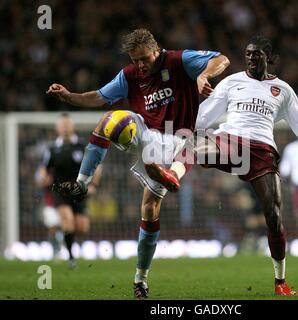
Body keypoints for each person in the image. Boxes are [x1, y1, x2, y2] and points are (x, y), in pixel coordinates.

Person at [146, 35, 298, 296]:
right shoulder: (232, 82)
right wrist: (171, 126)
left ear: (268, 57)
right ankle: (172, 175)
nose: (251, 58)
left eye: (257, 54)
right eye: (248, 54)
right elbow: (204, 115)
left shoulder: (283, 89)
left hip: (262, 152)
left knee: (274, 217)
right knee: (196, 142)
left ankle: (280, 282)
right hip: (230, 141)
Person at [46, 28, 230, 299]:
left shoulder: (180, 61)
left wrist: (203, 75)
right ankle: (81, 184)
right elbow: (98, 96)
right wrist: (69, 96)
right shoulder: (131, 75)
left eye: (144, 58)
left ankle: (140, 280)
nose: (140, 65)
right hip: (145, 132)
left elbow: (222, 59)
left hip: (177, 139)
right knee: (111, 119)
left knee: (149, 208)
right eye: (135, 60)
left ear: (156, 51)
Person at [40, 113, 102, 268]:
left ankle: (62, 235)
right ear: (57, 128)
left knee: (81, 227)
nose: (65, 128)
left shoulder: (82, 146)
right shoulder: (52, 149)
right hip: (60, 191)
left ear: (72, 126)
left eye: (67, 124)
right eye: (62, 125)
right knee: (68, 221)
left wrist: (93, 184)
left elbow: (97, 165)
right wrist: (44, 179)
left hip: (79, 192)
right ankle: (71, 258)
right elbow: (43, 168)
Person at [35, 165, 63, 260]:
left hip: (63, 202)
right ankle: (55, 251)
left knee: (64, 227)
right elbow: (41, 182)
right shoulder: (44, 168)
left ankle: (61, 249)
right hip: (50, 204)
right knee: (52, 228)